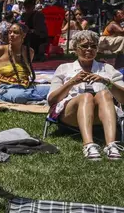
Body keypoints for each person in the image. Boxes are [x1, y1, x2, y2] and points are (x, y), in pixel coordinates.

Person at [48, 30, 124, 160]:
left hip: (102, 113)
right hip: (70, 114)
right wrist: (71, 82)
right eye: (84, 46)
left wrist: (106, 82)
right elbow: (52, 100)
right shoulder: (64, 68)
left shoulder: (107, 69)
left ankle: (111, 144)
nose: (89, 49)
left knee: (104, 93)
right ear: (75, 48)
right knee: (86, 96)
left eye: (93, 46)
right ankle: (88, 144)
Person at [0, 23, 49, 104]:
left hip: (26, 87)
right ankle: (38, 98)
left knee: (53, 89)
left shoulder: (29, 52)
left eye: (15, 32)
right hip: (5, 89)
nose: (11, 35)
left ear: (23, 35)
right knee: (21, 96)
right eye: (10, 32)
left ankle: (33, 97)